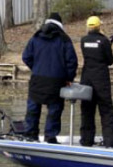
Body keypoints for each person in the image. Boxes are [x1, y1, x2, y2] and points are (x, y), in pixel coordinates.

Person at [22, 13, 78, 143]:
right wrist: (69, 78)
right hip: (57, 81)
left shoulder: (36, 37)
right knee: (54, 109)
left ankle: (30, 134)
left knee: (33, 108)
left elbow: (26, 57)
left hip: (37, 79)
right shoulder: (64, 39)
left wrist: (36, 68)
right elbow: (72, 61)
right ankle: (50, 137)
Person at [78, 16, 113, 148]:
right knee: (106, 110)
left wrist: (106, 41)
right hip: (101, 79)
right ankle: (110, 141)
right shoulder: (104, 41)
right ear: (99, 26)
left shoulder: (83, 40)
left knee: (87, 110)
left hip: (86, 79)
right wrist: (108, 42)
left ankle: (86, 140)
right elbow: (109, 61)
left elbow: (93, 51)